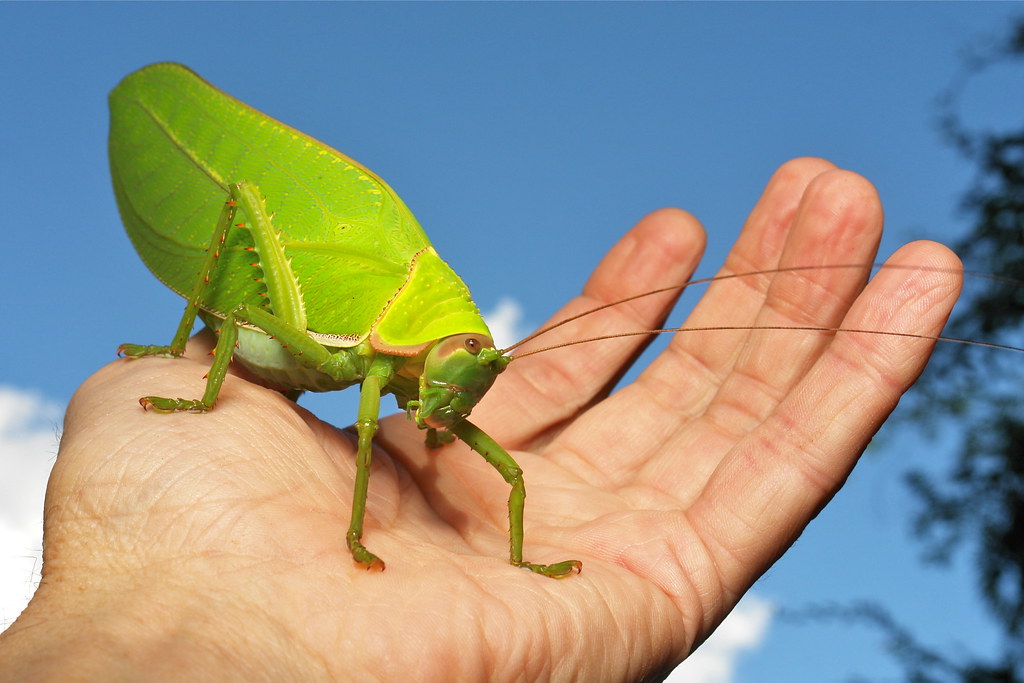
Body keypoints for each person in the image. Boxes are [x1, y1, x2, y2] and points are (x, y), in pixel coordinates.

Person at [0, 158, 961, 679]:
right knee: (248, 208)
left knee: (503, 468)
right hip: (292, 333)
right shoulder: (386, 363)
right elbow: (369, 408)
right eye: (465, 370)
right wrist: (196, 384)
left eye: (473, 375)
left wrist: (529, 562)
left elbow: (502, 465)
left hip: (343, 350)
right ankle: (189, 368)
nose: (462, 396)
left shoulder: (449, 366)